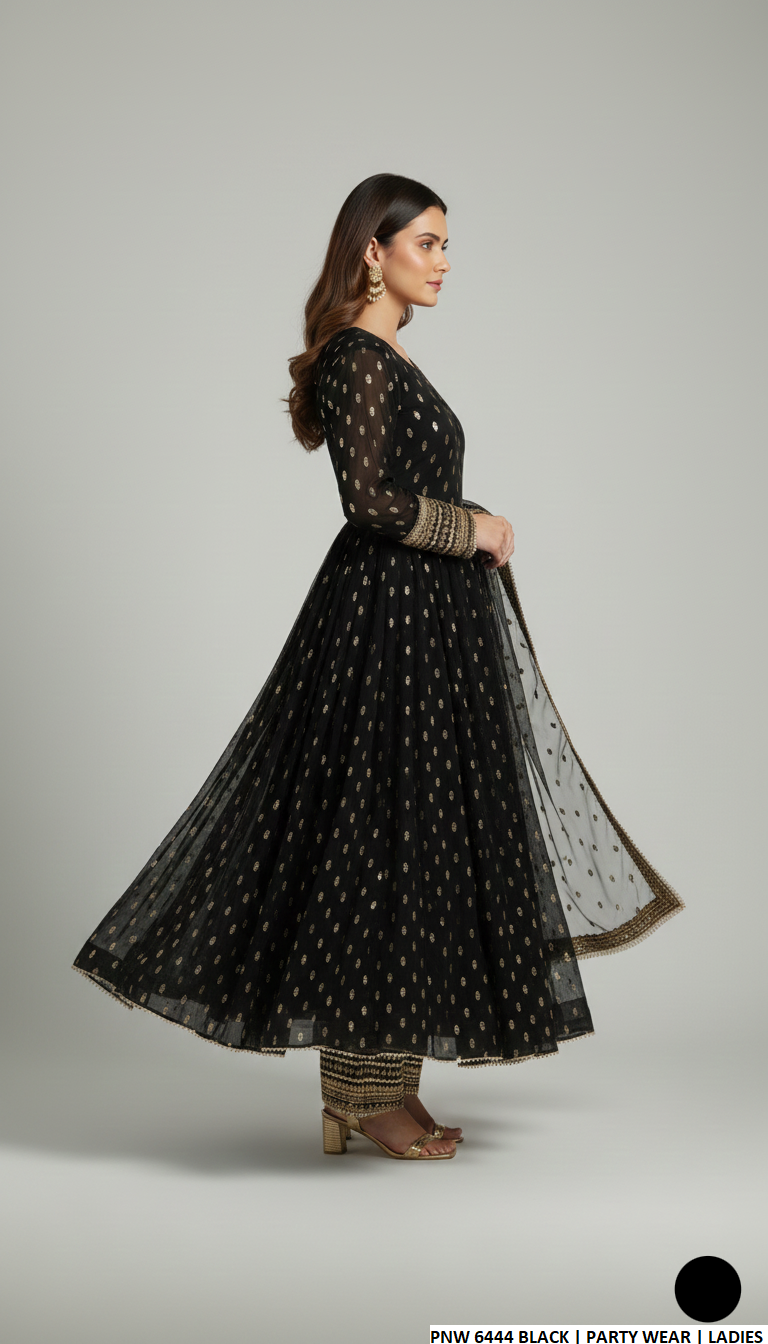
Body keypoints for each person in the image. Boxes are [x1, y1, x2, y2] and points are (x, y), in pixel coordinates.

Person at [72, 173, 685, 1163]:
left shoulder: (391, 355)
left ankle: (385, 1086)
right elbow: (368, 503)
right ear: (374, 250)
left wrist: (472, 527)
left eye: (446, 245)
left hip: (425, 621)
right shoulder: (358, 357)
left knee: (421, 839)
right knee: (377, 840)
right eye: (427, 243)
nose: (444, 263)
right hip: (386, 626)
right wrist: (473, 527)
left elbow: (401, 488)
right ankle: (360, 1096)